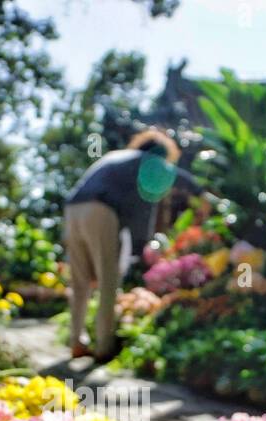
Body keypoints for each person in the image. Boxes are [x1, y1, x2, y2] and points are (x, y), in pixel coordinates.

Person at [63, 129, 202, 361]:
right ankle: (104, 346)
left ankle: (77, 340)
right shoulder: (149, 160)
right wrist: (201, 192)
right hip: (100, 209)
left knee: (80, 282)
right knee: (108, 280)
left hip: (73, 209)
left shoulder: (115, 158)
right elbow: (174, 176)